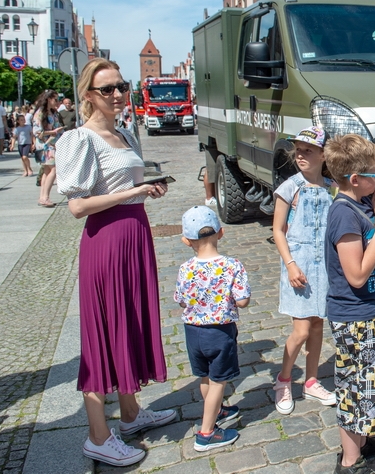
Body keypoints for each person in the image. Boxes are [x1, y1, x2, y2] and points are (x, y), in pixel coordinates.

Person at [55, 58, 175, 468]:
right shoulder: (80, 138)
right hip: (105, 242)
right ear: (88, 94)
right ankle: (97, 437)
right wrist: (133, 191)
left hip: (135, 235)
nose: (118, 94)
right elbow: (77, 206)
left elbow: (129, 187)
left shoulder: (124, 132)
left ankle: (130, 414)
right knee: (103, 335)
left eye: (121, 86)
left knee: (131, 323)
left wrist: (146, 190)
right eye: (107, 89)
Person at [325, 134, 375, 474]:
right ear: (355, 180)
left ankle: (361, 442)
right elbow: (355, 275)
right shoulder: (343, 214)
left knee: (371, 382)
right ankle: (350, 460)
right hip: (353, 315)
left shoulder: (362, 207)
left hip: (368, 310)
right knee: (356, 386)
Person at [271, 126, 337, 415]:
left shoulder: (331, 187)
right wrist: (290, 264)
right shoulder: (290, 187)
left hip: (323, 268)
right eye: (298, 149)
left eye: (308, 150)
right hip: (299, 267)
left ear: (323, 155)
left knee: (319, 324)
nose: (301, 155)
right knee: (300, 330)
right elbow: (278, 229)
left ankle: (311, 380)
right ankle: (284, 379)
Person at [175, 205, 250, 452]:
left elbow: (182, 299)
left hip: (192, 332)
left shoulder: (185, 268)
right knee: (219, 381)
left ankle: (215, 410)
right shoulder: (232, 265)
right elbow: (242, 301)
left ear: (187, 241)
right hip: (219, 332)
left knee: (205, 376)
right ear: (221, 232)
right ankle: (206, 433)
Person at [33, 90, 64, 207]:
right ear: (48, 99)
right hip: (46, 145)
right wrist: (53, 132)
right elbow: (37, 131)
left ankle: (42, 197)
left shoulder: (53, 113)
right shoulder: (40, 113)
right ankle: (45, 197)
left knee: (47, 171)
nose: (57, 102)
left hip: (52, 144)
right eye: (55, 100)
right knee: (54, 170)